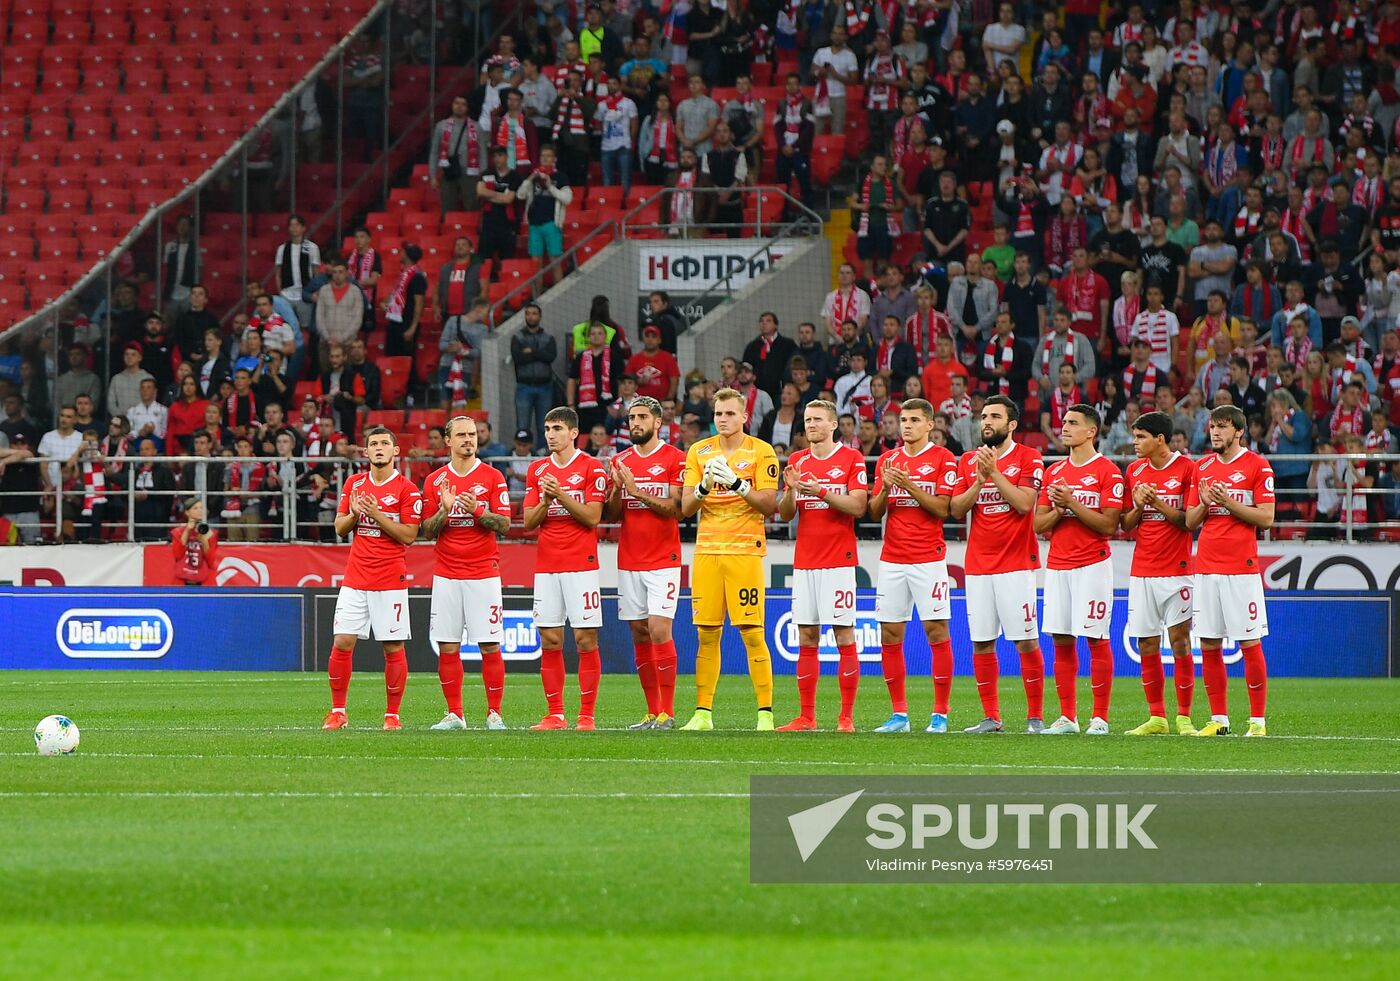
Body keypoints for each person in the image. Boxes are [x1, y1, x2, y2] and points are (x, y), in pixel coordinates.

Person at [679, 387, 780, 731]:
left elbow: (770, 504)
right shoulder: (699, 451)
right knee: (707, 634)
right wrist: (704, 488)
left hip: (744, 552)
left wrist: (737, 484)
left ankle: (764, 713)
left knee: (752, 632)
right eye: (719, 414)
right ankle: (703, 714)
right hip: (707, 551)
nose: (723, 419)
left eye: (730, 414)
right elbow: (685, 508)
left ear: (744, 416)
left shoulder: (761, 451)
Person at [949, 395, 1047, 734]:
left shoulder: (1029, 457)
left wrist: (993, 473)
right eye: (983, 416)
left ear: (1012, 424)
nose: (986, 422)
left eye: (994, 416)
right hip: (977, 566)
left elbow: (1024, 504)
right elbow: (957, 509)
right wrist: (979, 479)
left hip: (1016, 565)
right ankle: (992, 718)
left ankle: (1035, 718)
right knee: (982, 642)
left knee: (1025, 641)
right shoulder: (967, 461)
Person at [774, 400, 869, 732]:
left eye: (817, 419)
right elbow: (786, 514)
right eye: (807, 420)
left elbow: (859, 506)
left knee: (843, 635)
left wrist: (822, 491)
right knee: (807, 636)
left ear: (833, 425)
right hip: (805, 562)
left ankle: (846, 718)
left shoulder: (851, 459)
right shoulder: (798, 460)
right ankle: (807, 717)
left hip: (838, 562)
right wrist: (790, 490)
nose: (811, 424)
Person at [322, 427, 424, 731]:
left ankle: (392, 715)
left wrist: (377, 515)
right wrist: (354, 514)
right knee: (342, 641)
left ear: (395, 452)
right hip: (355, 577)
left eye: (384, 444)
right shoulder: (354, 483)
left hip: (390, 578)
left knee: (392, 646)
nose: (379, 448)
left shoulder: (407, 489)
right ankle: (338, 711)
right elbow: (340, 527)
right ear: (366, 453)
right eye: (373, 444)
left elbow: (409, 535)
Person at [1032, 404, 1124, 737]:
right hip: (1058, 565)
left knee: (1096, 637)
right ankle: (1067, 717)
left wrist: (1072, 503)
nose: (1064, 427)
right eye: (1064, 422)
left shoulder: (1108, 471)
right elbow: (1039, 524)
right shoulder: (1054, 473)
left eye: (1073, 423)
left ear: (1091, 431)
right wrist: (1059, 510)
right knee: (1061, 638)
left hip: (1093, 566)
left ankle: (1099, 718)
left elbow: (1109, 525)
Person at [867, 398, 958, 733]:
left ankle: (940, 714)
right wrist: (886, 488)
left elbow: (943, 509)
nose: (906, 425)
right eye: (903, 419)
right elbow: (874, 512)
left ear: (929, 424)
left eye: (914, 420)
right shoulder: (887, 460)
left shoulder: (943, 460)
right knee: (889, 633)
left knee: (937, 632)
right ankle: (899, 715)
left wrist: (909, 486)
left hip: (928, 559)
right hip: (892, 559)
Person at [420, 415, 513, 731]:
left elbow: (504, 524)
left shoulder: (492, 476)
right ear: (448, 440)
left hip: (483, 572)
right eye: (461, 435)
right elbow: (427, 530)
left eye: (472, 434)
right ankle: (455, 714)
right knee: (448, 645)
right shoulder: (434, 481)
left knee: (489, 645)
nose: (468, 440)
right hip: (446, 573)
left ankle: (494, 714)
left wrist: (477, 510)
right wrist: (445, 510)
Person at [522, 407, 608, 730]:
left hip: (581, 565)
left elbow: (592, 517)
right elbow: (529, 522)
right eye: (546, 428)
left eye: (557, 428)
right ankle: (555, 714)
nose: (550, 434)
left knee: (585, 638)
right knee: (550, 638)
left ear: (573, 433)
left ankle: (586, 716)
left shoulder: (591, 467)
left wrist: (560, 495)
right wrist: (546, 500)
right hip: (546, 566)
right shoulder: (537, 469)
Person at [604, 396, 686, 729]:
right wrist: (617, 490)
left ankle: (668, 712)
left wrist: (637, 492)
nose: (634, 423)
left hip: (663, 558)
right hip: (629, 558)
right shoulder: (619, 460)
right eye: (631, 418)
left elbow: (676, 508)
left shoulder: (674, 458)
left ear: (657, 422)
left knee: (658, 628)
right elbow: (611, 514)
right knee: (639, 632)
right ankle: (652, 712)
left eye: (641, 417)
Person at [1119, 410, 1198, 735]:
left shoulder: (1187, 468)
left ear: (1160, 439)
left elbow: (1189, 522)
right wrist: (1139, 505)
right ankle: (1157, 717)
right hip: (1142, 571)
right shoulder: (1134, 470)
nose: (1135, 443)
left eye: (1141, 437)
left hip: (1177, 570)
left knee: (1179, 642)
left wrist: (1158, 503)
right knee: (1147, 643)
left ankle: (1183, 718)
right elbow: (1124, 524)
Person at [430, 94, 483, 215]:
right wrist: (432, 175)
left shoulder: (476, 127)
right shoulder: (441, 126)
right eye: (456, 103)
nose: (459, 107)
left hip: (470, 173)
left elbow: (482, 152)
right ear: (452, 105)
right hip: (449, 171)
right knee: (447, 207)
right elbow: (434, 152)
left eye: (463, 104)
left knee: (472, 206)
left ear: (468, 107)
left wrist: (482, 174)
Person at [382, 243, 428, 363]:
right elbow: (395, 294)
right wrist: (386, 304)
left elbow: (419, 304)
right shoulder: (403, 275)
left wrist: (413, 328)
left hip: (406, 322)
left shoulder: (417, 277)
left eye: (403, 251)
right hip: (395, 320)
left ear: (407, 255)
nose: (400, 253)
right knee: (392, 355)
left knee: (405, 358)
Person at [274, 214, 321, 330]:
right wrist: (280, 291)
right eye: (291, 225)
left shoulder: (311, 247)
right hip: (287, 293)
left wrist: (315, 291)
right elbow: (278, 273)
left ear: (303, 228)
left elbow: (316, 272)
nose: (294, 228)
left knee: (306, 326)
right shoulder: (282, 248)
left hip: (304, 292)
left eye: (297, 225)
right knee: (285, 326)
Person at [171, 497, 219, 585]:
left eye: (201, 508)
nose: (200, 510)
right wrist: (187, 531)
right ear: (187, 512)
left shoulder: (212, 533)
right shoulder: (178, 532)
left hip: (204, 580)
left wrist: (204, 541)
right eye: (195, 508)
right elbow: (178, 555)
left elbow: (211, 561)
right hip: (181, 579)